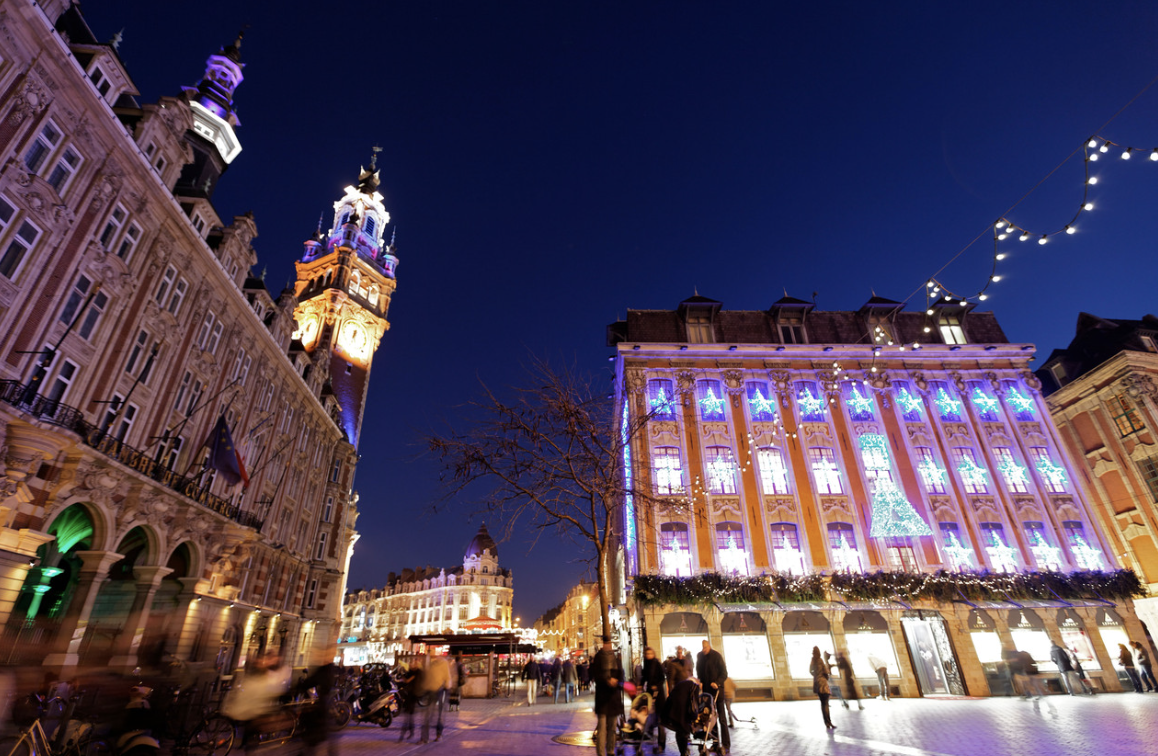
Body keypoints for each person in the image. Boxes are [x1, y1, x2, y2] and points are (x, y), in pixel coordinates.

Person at [296, 650, 338, 756]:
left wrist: (299, 687)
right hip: (325, 703)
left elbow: (312, 680)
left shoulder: (325, 669)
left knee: (314, 730)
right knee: (321, 733)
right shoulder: (330, 669)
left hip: (322, 704)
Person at [592, 636, 625, 756]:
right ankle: (601, 752)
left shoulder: (616, 658)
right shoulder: (598, 658)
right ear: (604, 644)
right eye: (607, 643)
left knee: (612, 728)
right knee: (602, 728)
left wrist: (617, 682)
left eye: (610, 643)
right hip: (602, 698)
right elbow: (596, 675)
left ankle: (610, 750)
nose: (609, 645)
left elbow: (621, 675)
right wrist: (607, 680)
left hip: (613, 698)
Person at [695, 640, 730, 754]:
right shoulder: (700, 656)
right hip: (707, 694)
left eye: (706, 648)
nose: (704, 650)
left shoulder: (716, 656)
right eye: (703, 648)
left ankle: (725, 744)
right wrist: (700, 681)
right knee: (711, 719)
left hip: (717, 691)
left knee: (722, 719)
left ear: (709, 646)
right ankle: (715, 743)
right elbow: (699, 670)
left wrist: (717, 682)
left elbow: (724, 673)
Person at [420, 651, 451, 743]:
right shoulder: (431, 664)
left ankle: (438, 734)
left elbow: (447, 677)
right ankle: (424, 737)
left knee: (439, 715)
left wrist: (446, 688)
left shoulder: (444, 663)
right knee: (428, 715)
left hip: (440, 691)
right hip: (431, 692)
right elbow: (427, 678)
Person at [641, 647, 668, 753]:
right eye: (646, 653)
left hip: (659, 695)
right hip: (650, 694)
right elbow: (644, 677)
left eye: (649, 653)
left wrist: (656, 686)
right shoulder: (646, 664)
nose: (648, 655)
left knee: (660, 720)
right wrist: (640, 685)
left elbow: (662, 678)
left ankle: (661, 744)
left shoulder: (657, 664)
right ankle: (650, 735)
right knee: (650, 716)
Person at [809, 647, 835, 730]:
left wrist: (816, 676)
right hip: (823, 684)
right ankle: (829, 722)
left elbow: (810, 671)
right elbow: (825, 671)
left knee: (823, 704)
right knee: (826, 704)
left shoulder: (813, 660)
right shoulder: (820, 660)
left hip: (817, 684)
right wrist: (824, 677)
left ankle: (827, 723)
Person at [397, 661, 424, 741]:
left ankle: (405, 733)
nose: (412, 665)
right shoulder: (413, 672)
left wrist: (402, 676)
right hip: (411, 694)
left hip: (413, 695)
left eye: (414, 664)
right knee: (409, 715)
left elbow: (407, 681)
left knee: (408, 715)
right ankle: (410, 732)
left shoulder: (417, 673)